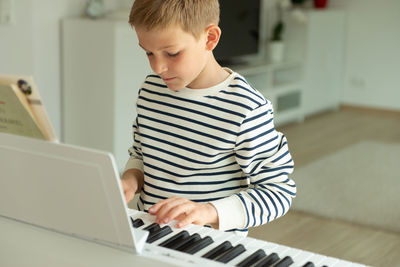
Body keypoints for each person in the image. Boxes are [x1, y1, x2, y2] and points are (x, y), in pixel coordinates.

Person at [121, 0, 296, 236]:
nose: (158, 67)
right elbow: (142, 154)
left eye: (172, 53)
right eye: (149, 53)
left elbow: (278, 192)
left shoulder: (246, 108)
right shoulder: (151, 90)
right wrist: (131, 180)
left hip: (213, 245)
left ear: (210, 38)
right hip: (151, 235)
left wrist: (208, 212)